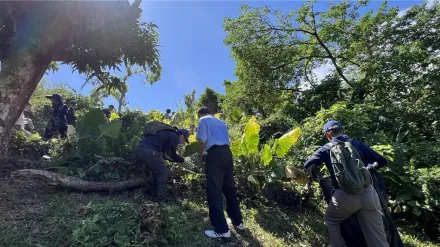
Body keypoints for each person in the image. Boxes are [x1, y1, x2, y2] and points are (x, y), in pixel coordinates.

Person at [304, 120, 388, 247]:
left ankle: (337, 244)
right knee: (378, 238)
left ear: (328, 135)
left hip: (344, 196)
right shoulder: (357, 144)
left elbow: (308, 164)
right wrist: (368, 169)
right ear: (343, 131)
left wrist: (315, 176)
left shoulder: (326, 149)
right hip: (368, 194)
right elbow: (381, 161)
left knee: (331, 219)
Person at [195, 106, 244, 239]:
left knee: (214, 192)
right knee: (229, 189)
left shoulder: (203, 120)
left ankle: (222, 230)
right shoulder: (221, 122)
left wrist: (200, 155)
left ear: (200, 114)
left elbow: (201, 142)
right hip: (227, 154)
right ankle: (238, 222)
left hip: (215, 155)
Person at [134, 123, 194, 201]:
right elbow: (172, 155)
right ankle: (160, 197)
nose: (183, 143)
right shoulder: (174, 136)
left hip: (140, 148)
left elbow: (166, 156)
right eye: (185, 140)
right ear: (182, 136)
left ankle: (151, 192)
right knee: (163, 172)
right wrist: (183, 160)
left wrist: (179, 160)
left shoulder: (167, 134)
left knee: (156, 171)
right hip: (148, 151)